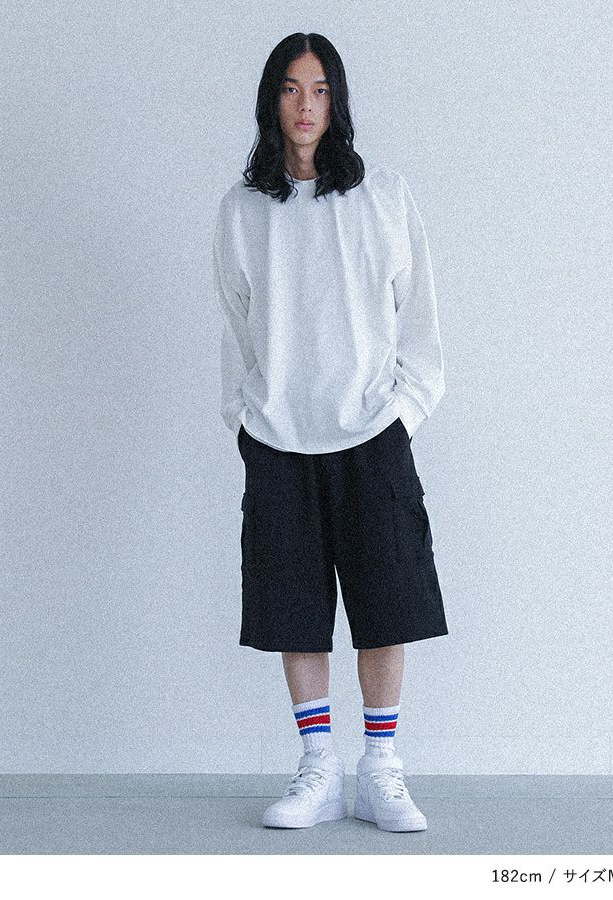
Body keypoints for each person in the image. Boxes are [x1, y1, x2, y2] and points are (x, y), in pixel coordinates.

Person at [212, 32, 449, 832]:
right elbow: (237, 326)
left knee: (389, 602)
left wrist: (402, 416)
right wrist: (247, 421)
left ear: (337, 100)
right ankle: (318, 767)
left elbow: (419, 321)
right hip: (279, 438)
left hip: (372, 432)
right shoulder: (244, 209)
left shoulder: (383, 195)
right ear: (270, 101)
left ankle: (381, 769)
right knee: (294, 608)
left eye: (319, 89)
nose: (305, 105)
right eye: (290, 88)